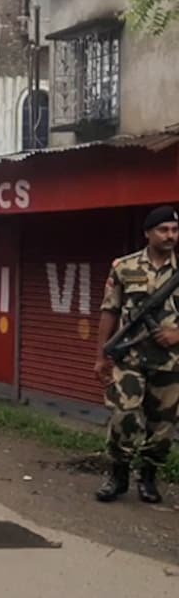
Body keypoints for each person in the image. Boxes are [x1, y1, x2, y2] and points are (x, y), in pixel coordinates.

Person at [94, 206, 179, 504]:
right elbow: (110, 310)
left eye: (174, 230)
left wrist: (175, 334)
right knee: (123, 417)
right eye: (163, 230)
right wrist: (101, 356)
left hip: (172, 362)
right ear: (148, 233)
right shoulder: (124, 267)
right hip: (130, 359)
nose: (170, 236)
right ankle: (117, 477)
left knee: (163, 426)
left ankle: (149, 478)